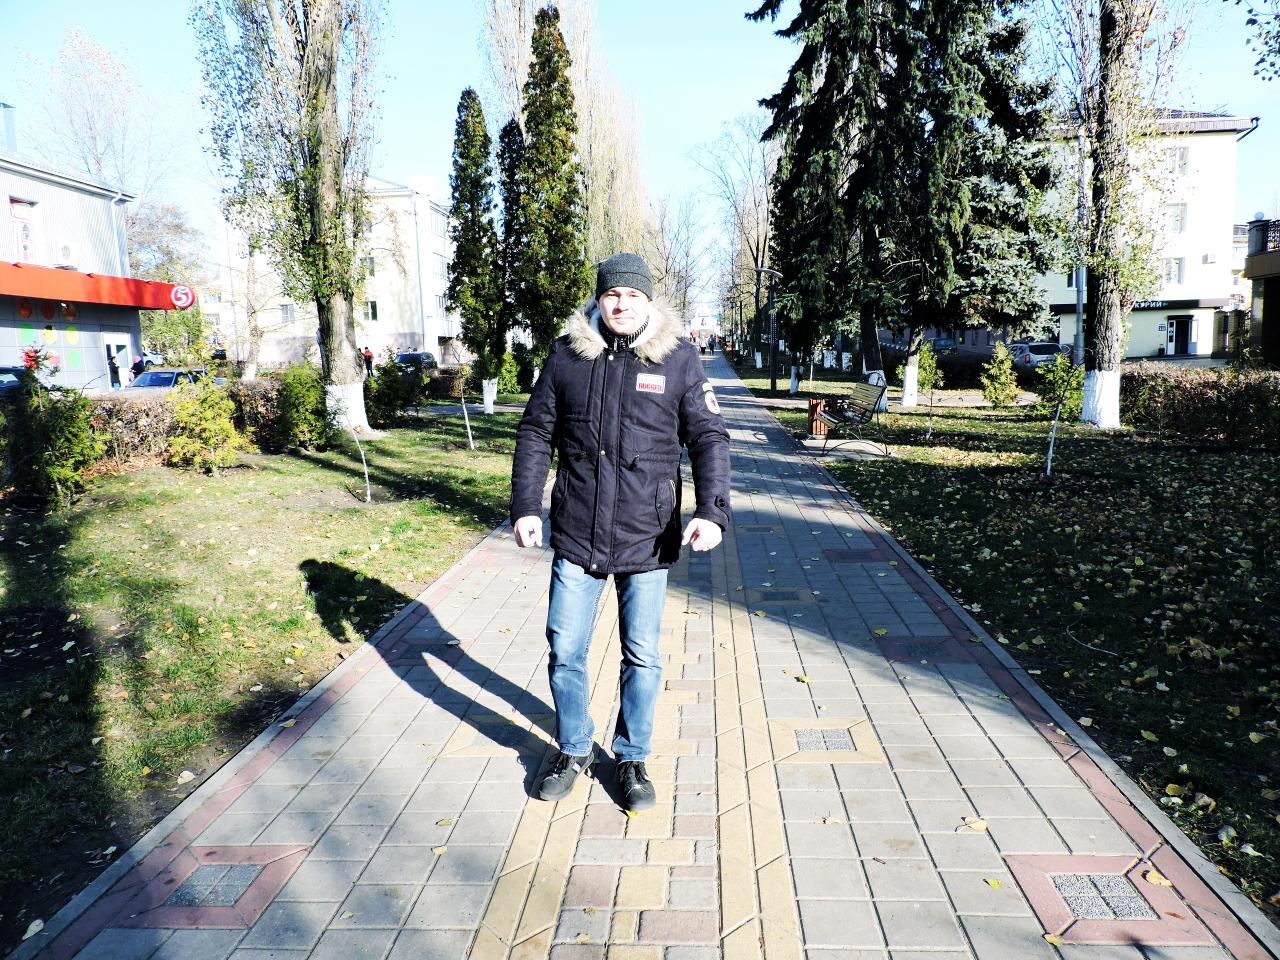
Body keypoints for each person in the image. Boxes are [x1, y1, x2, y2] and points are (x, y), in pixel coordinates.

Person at [510, 252, 731, 811]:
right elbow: (536, 432)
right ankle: (574, 746)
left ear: (648, 301)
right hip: (577, 531)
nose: (621, 304)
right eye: (612, 294)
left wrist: (712, 512)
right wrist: (526, 506)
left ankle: (631, 757)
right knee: (565, 647)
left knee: (642, 655)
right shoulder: (567, 355)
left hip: (647, 535)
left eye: (633, 295)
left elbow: (709, 437)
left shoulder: (678, 359)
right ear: (599, 298)